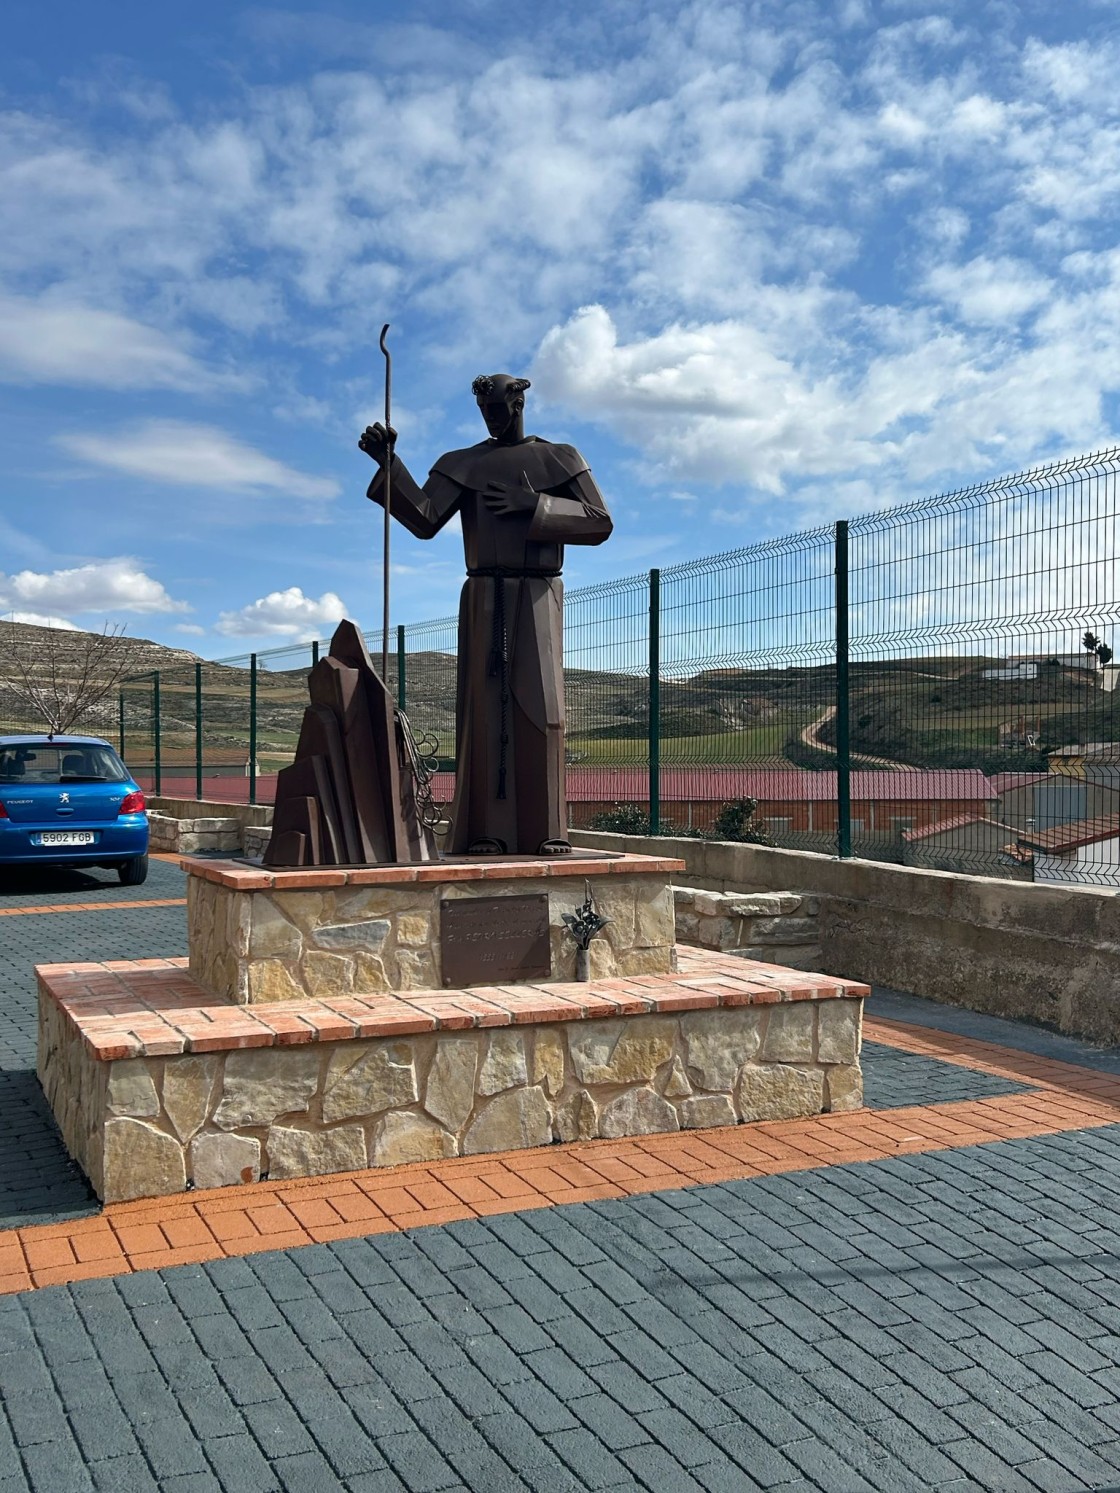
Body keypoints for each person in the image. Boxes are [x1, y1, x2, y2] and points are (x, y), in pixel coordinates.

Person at [360, 374, 612, 855]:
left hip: (538, 594)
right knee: (486, 710)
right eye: (485, 411)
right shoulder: (464, 463)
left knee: (544, 712)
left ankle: (547, 828)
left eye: (499, 409)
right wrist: (390, 464)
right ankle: (487, 832)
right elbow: (425, 517)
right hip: (483, 596)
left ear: (518, 402)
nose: (492, 419)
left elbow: (599, 522)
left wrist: (535, 503)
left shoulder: (559, 457)